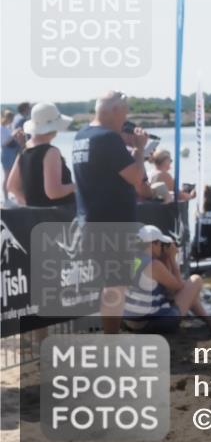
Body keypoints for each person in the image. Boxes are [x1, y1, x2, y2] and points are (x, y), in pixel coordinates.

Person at [72, 91, 151, 334]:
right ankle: (111, 341)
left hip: (90, 218)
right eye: (125, 112)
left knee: (108, 284)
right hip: (112, 222)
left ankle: (108, 337)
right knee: (116, 285)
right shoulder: (108, 138)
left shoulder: (81, 135)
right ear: (116, 111)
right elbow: (136, 178)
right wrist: (139, 150)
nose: (125, 119)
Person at [123, 225, 211, 335]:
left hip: (129, 321)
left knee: (188, 291)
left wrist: (165, 259)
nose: (161, 247)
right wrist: (172, 258)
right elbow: (178, 286)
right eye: (160, 244)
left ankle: (210, 321)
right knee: (195, 280)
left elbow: (168, 290)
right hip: (148, 325)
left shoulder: (133, 259)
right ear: (153, 244)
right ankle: (210, 322)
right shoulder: (153, 265)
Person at [6, 102, 75, 207]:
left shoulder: (24, 150)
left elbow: (12, 186)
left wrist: (31, 206)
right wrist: (76, 186)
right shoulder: (51, 152)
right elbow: (53, 192)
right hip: (58, 218)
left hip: (38, 219)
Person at [2, 109, 21, 199]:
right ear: (7, 118)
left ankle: (12, 196)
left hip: (12, 152)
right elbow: (3, 143)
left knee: (14, 176)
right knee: (7, 176)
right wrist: (13, 135)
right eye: (11, 119)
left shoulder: (8, 127)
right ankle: (6, 198)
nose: (13, 121)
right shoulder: (1, 128)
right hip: (6, 153)